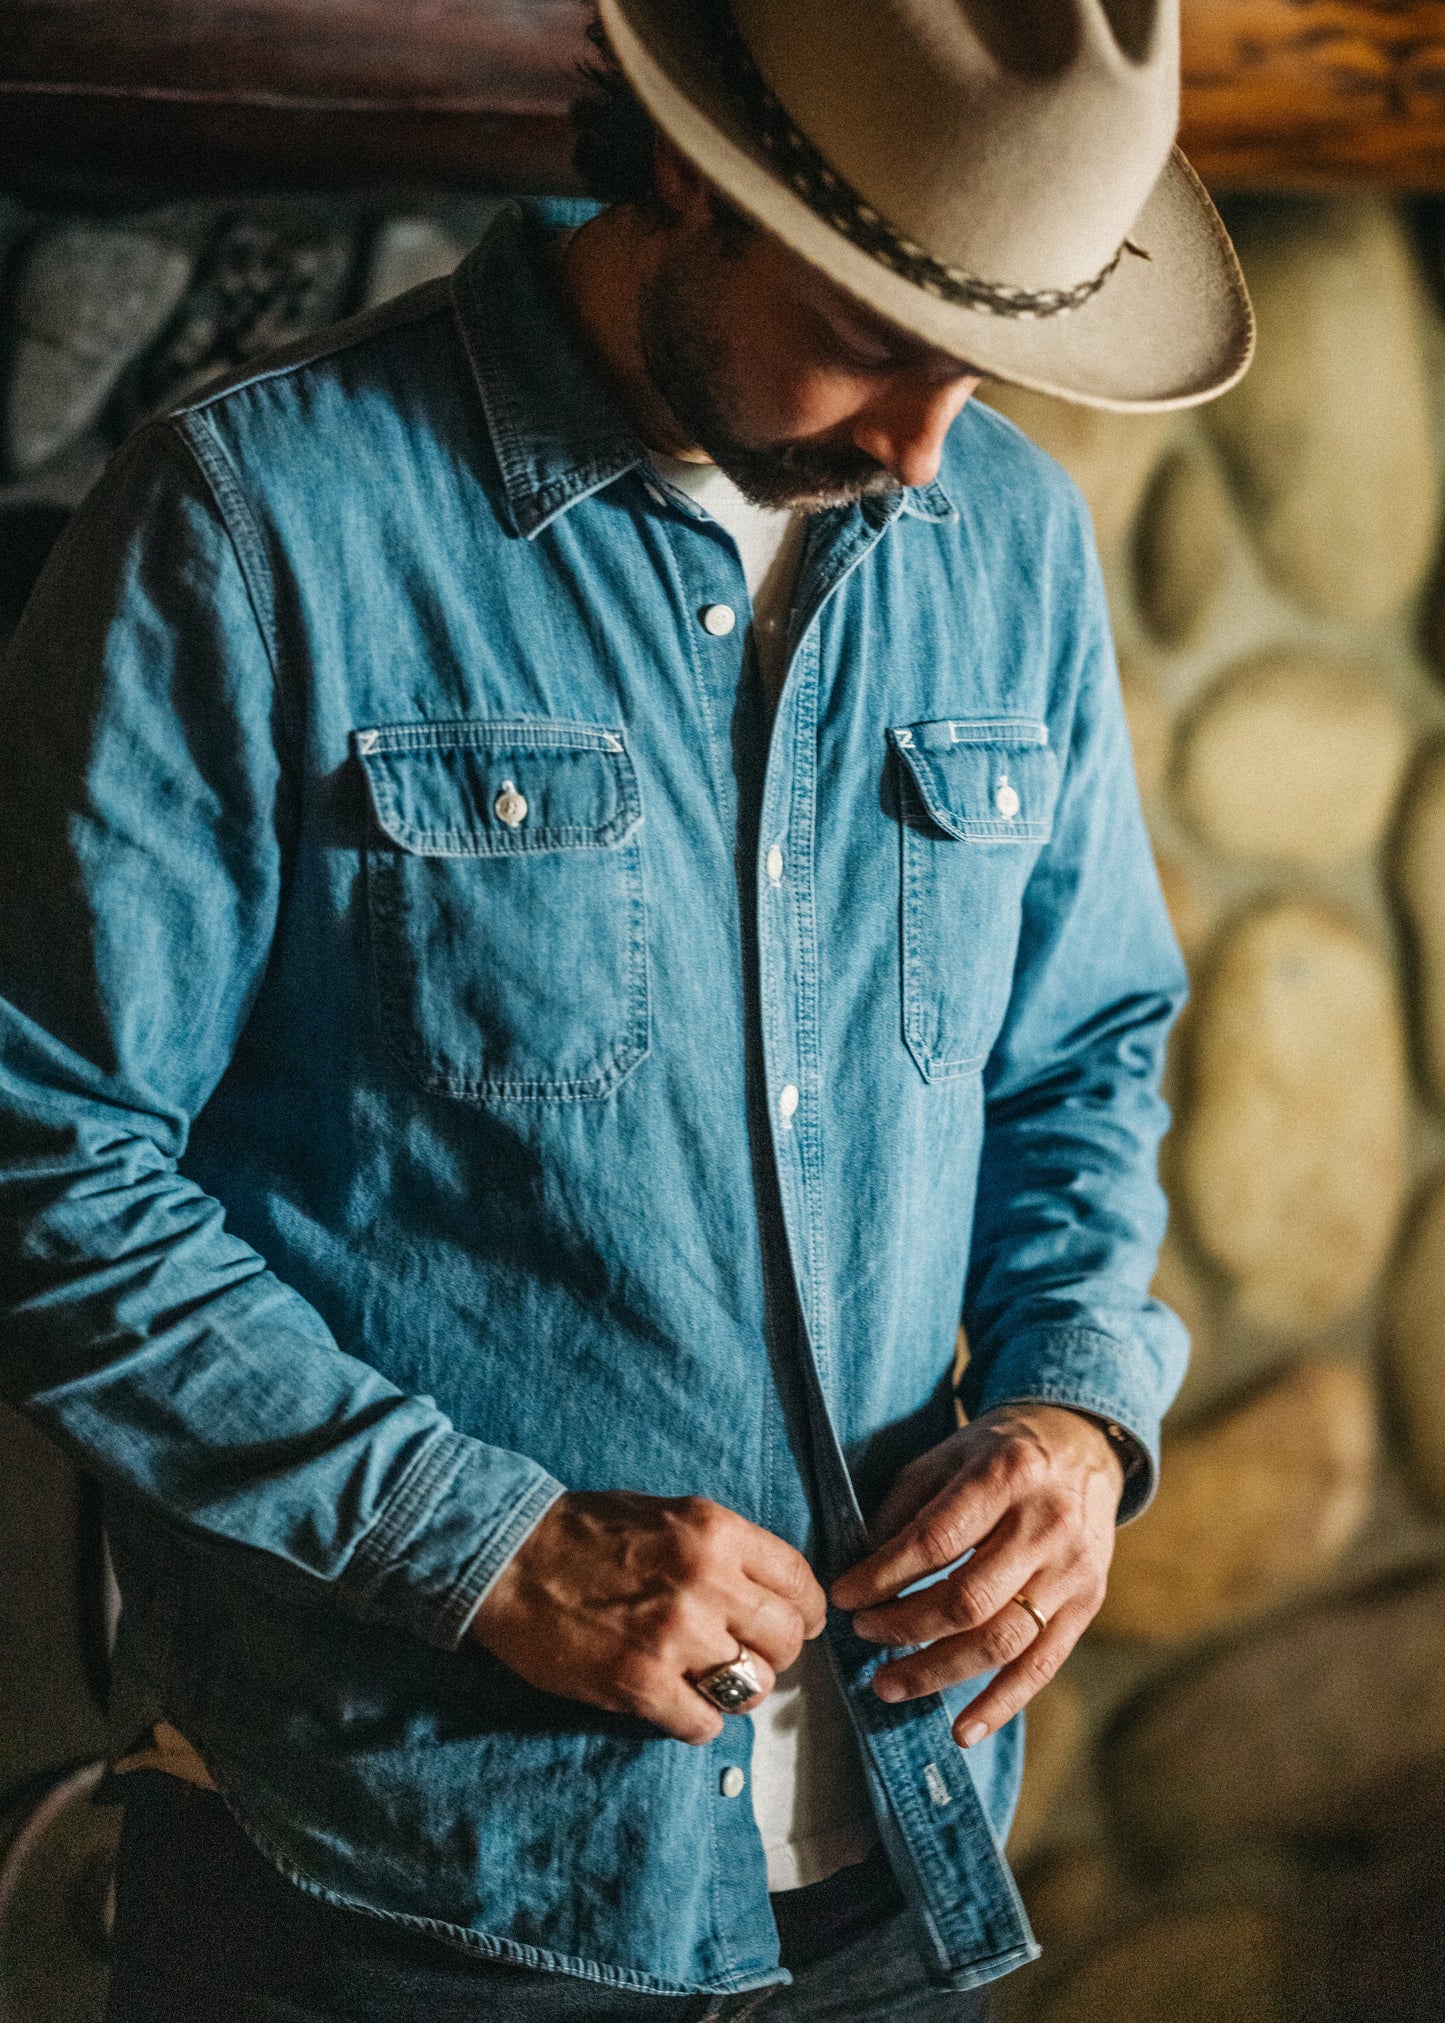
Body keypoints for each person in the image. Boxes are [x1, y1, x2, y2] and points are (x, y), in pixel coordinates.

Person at [0, 1, 1252, 2017]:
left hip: (899, 1880)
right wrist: (480, 1541)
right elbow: (41, 1155)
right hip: (388, 1892)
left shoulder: (1007, 536)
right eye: (872, 331)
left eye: (980, 365)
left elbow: (1083, 1048)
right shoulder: (247, 525)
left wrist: (1080, 1408)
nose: (923, 448)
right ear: (687, 170)